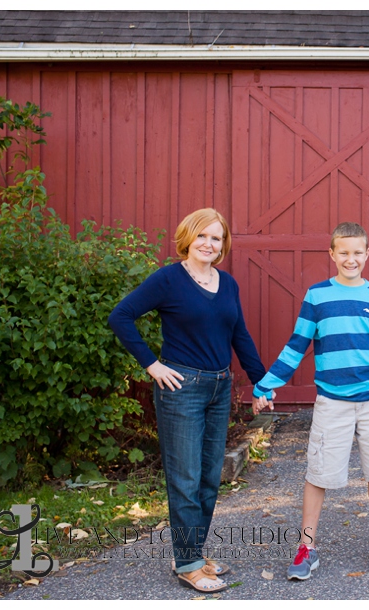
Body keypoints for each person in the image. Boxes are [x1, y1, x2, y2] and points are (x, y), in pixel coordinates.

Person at [252, 221, 369, 581]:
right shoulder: (317, 296)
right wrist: (267, 385)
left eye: (357, 252)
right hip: (332, 401)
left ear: (367, 254)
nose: (351, 259)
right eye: (343, 252)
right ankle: (306, 547)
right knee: (319, 473)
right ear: (331, 254)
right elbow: (296, 345)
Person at [108, 208, 266, 593]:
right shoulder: (168, 280)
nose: (209, 244)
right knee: (185, 479)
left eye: (216, 238)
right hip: (182, 390)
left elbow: (239, 335)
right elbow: (121, 316)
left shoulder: (227, 284)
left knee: (210, 478)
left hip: (218, 387)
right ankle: (188, 564)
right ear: (187, 238)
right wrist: (152, 365)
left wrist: (262, 383)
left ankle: (192, 552)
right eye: (202, 237)